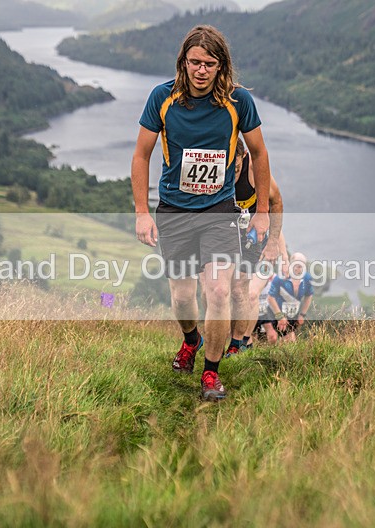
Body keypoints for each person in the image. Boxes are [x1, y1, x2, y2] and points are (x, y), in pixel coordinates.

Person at [131, 25, 274, 401]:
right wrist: (142, 212)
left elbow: (259, 154)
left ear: (220, 65)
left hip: (219, 211)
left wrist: (262, 212)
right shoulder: (162, 98)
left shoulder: (238, 101)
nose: (201, 70)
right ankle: (191, 339)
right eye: (194, 62)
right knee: (181, 296)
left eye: (209, 63)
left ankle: (211, 373)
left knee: (218, 290)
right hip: (175, 211)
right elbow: (141, 155)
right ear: (183, 62)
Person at [225, 138, 288, 356]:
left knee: (245, 291)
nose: (231, 174)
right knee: (224, 292)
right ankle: (237, 340)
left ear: (243, 158)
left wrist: (275, 247)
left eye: (235, 168)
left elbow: (276, 203)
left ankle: (241, 342)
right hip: (230, 235)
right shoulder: (217, 168)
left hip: (257, 237)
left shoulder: (254, 169)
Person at [265, 252, 314, 343]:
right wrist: (279, 316)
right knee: (273, 339)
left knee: (290, 343)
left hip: (291, 315)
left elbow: (309, 295)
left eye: (301, 266)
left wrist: (302, 314)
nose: (298, 268)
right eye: (296, 265)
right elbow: (270, 298)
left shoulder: (307, 278)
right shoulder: (281, 278)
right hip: (274, 313)